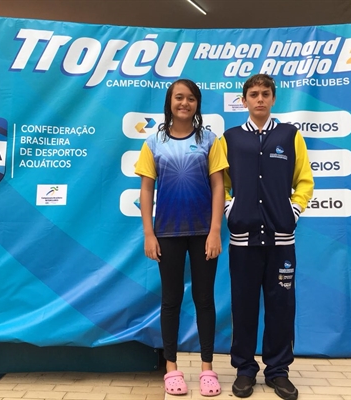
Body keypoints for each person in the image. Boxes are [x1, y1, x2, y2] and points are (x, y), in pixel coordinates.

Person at [219, 74, 314, 400]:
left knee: (281, 305)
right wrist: (231, 210)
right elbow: (221, 184)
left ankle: (278, 371)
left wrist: (293, 212)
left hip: (281, 241)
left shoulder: (290, 136)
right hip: (243, 242)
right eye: (253, 94)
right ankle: (245, 370)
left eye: (265, 94)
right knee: (243, 306)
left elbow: (305, 181)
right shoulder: (229, 138)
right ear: (244, 100)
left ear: (274, 99)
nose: (259, 99)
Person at [135, 79, 228, 397]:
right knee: (171, 300)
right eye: (179, 97)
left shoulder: (210, 140)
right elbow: (146, 189)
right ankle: (171, 368)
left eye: (191, 98)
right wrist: (149, 233)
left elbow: (219, 186)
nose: (184, 103)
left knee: (204, 300)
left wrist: (215, 230)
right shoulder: (153, 142)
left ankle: (207, 369)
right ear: (169, 102)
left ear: (197, 104)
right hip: (167, 233)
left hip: (204, 233)